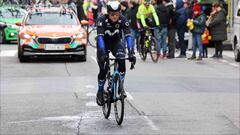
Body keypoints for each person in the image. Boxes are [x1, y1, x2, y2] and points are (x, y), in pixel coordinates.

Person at [96, 0, 136, 106]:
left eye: (117, 14)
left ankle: (119, 88)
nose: (114, 16)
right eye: (112, 14)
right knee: (103, 69)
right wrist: (103, 54)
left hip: (115, 43)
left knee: (122, 62)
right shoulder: (101, 20)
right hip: (103, 44)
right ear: (108, 13)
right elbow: (100, 38)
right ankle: (100, 91)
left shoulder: (123, 20)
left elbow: (128, 36)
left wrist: (131, 53)